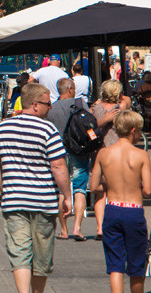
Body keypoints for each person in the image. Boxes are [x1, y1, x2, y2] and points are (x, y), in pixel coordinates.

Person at [0, 83, 72, 293]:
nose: (50, 107)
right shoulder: (48, 129)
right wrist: (67, 195)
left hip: (14, 200)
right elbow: (58, 165)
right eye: (47, 103)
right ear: (35, 105)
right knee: (41, 255)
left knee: (20, 252)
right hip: (43, 201)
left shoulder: (3, 127)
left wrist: (4, 188)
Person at [90, 111, 151, 293]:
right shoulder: (141, 155)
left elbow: (94, 186)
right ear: (133, 131)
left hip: (113, 209)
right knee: (136, 266)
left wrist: (111, 187)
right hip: (133, 211)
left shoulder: (103, 153)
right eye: (140, 131)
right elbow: (148, 190)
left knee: (115, 265)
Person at [47, 78, 88, 241]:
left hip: (58, 153)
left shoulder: (52, 109)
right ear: (70, 88)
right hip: (78, 151)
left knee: (62, 190)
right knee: (79, 189)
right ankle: (77, 228)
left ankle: (63, 230)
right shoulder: (81, 104)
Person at [90, 80, 131, 240]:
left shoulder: (95, 108)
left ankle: (100, 228)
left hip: (100, 153)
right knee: (116, 191)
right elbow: (90, 131)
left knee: (101, 192)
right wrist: (106, 120)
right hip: (116, 154)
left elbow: (90, 131)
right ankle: (110, 227)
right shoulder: (120, 109)